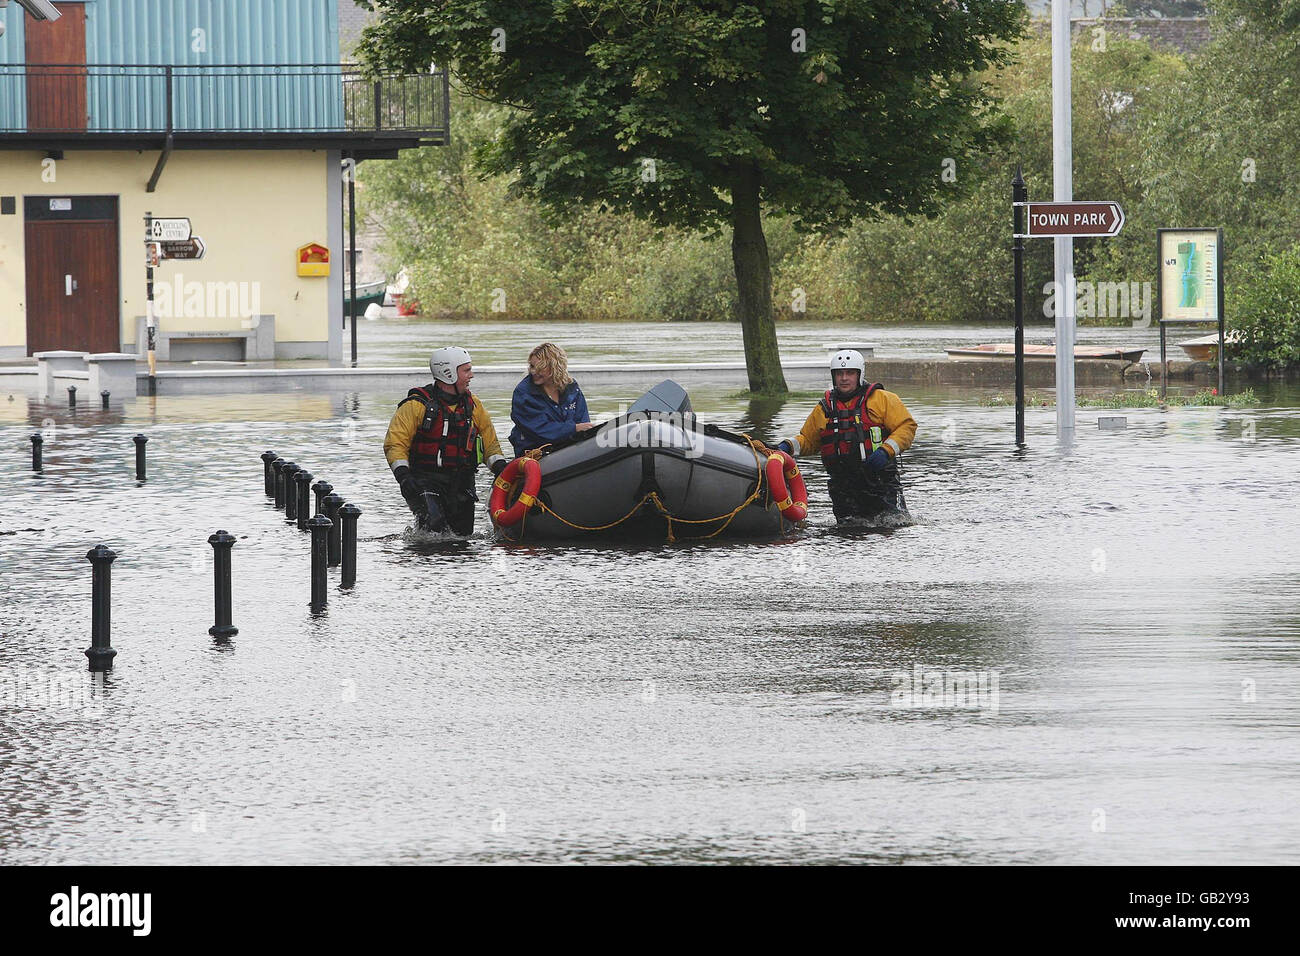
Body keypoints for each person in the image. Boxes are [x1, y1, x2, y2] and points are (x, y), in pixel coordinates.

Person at [768, 349, 917, 523]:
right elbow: (809, 440)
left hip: (880, 481)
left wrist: (886, 451)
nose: (844, 378)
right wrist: (787, 447)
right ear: (834, 376)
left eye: (850, 373)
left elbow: (907, 426)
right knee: (848, 530)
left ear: (859, 375)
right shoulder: (825, 408)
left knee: (892, 525)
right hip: (843, 485)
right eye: (839, 373)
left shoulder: (882, 399)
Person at [383, 346, 507, 535]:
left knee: (462, 537)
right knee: (434, 525)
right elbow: (395, 443)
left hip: (462, 483)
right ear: (448, 373)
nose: (471, 375)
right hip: (424, 480)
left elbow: (491, 445)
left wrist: (501, 469)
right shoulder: (416, 405)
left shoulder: (473, 406)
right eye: (466, 370)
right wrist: (404, 477)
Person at [508, 342, 594, 457]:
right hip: (535, 453)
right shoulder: (523, 394)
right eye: (532, 366)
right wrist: (574, 429)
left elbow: (583, 422)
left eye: (540, 368)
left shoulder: (572, 387)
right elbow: (538, 430)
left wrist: (581, 430)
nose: (533, 372)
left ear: (554, 367)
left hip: (568, 449)